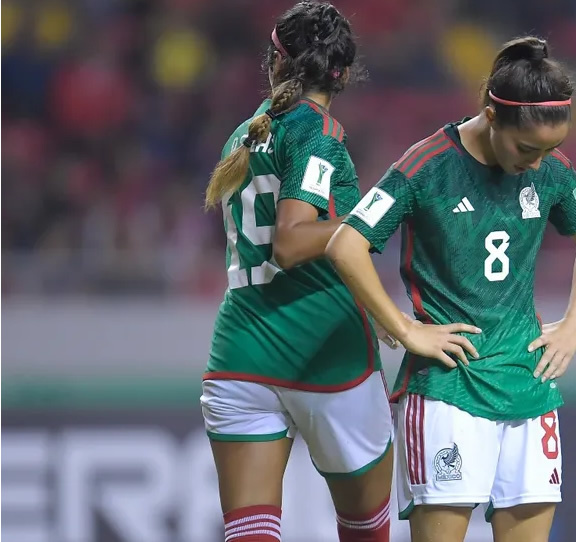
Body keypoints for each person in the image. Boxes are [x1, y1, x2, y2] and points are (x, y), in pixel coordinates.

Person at [326, 36, 576, 542]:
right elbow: (346, 245)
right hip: (448, 391)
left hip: (529, 383)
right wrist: (405, 328)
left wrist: (574, 325)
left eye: (551, 149)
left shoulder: (551, 171)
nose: (539, 163)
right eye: (527, 148)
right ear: (492, 116)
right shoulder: (424, 166)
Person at [199, 3, 402, 541]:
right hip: (325, 359)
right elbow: (292, 241)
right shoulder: (318, 133)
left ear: (275, 61)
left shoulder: (245, 133)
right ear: (343, 73)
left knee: (251, 533)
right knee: (366, 529)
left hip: (240, 358)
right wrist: (370, 218)